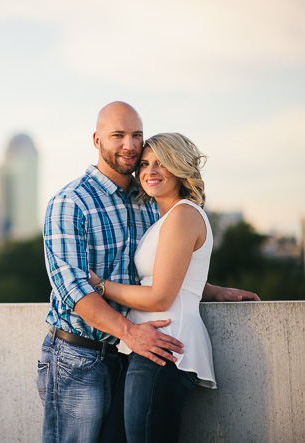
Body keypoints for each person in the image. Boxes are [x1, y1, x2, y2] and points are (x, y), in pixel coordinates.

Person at [37, 102, 259, 443]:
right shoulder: (71, 202)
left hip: (132, 352)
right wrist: (130, 332)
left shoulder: (147, 201)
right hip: (80, 357)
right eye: (118, 135)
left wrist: (208, 289)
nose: (129, 144)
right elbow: (72, 289)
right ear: (97, 140)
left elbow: (161, 269)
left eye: (136, 135)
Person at [88, 132, 216, 442]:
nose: (149, 171)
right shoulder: (166, 217)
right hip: (148, 345)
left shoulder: (183, 214)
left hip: (167, 346)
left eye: (161, 163)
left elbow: (161, 295)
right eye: (144, 164)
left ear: (180, 167)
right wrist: (215, 290)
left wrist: (100, 286)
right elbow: (179, 274)